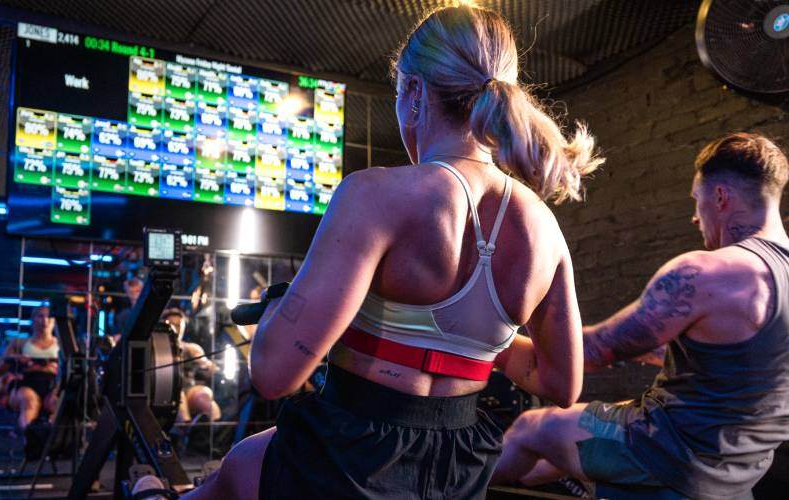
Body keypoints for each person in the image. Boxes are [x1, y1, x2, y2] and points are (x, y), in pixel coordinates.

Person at [168, 4, 602, 498]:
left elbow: (272, 375)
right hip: (457, 471)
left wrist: (278, 312)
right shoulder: (545, 229)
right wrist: (474, 341)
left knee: (233, 469)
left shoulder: (376, 195)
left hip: (352, 462)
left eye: (400, 94)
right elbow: (561, 382)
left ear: (414, 94)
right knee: (247, 462)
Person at [491, 133, 789, 500]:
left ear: (720, 197)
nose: (696, 218)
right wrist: (659, 352)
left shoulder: (708, 273)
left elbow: (589, 352)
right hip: (736, 474)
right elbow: (757, 363)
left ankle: (447, 489)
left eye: (697, 202)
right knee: (564, 448)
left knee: (531, 429)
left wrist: (491, 341)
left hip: (670, 459)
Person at [0, 306, 60, 429]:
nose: (44, 321)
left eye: (49, 317)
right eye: (40, 316)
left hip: (53, 384)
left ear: (54, 320)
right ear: (33, 319)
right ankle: (30, 438)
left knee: (57, 403)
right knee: (29, 401)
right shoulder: (19, 343)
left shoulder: (61, 345)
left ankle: (50, 441)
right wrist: (14, 359)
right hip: (27, 383)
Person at [164, 307, 222, 423]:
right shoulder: (157, 347)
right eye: (172, 325)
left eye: (179, 325)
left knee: (204, 396)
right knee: (177, 396)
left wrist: (209, 366)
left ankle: (217, 429)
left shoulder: (191, 348)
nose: (176, 329)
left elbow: (205, 363)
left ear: (184, 326)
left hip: (189, 388)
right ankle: (187, 430)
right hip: (166, 390)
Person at [110, 277, 144, 345]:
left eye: (137, 291)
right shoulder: (122, 315)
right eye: (131, 292)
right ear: (127, 293)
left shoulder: (150, 312)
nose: (135, 294)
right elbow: (117, 336)